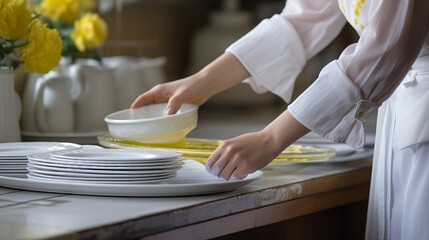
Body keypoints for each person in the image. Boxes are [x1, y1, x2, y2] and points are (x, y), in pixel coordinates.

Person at [132, 0, 429, 239]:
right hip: (405, 110)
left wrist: (272, 137)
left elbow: (386, 48)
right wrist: (201, 81)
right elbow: (303, 18)